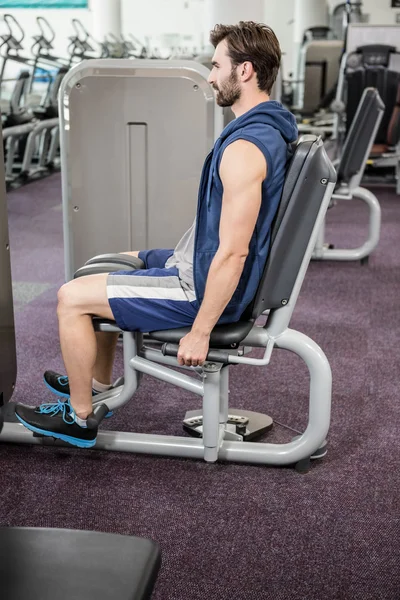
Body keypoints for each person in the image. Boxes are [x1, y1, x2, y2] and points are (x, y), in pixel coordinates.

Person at [15, 21, 298, 448]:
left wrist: (201, 330)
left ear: (244, 71)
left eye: (216, 65)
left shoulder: (245, 150)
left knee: (70, 297)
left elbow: (234, 253)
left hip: (199, 288)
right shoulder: (264, 130)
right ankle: (93, 383)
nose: (210, 76)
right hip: (195, 263)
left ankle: (79, 418)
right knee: (106, 261)